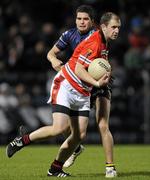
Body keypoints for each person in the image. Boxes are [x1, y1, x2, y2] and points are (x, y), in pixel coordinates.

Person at [6, 11, 121, 178]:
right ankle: (22, 140)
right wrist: (97, 83)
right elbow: (79, 69)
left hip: (83, 91)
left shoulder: (104, 41)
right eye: (114, 27)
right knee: (59, 128)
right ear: (103, 27)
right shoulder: (95, 42)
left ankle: (54, 169)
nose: (117, 30)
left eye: (118, 27)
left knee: (79, 136)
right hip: (66, 85)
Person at [47, 5, 96, 168]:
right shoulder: (69, 34)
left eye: (85, 19)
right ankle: (75, 148)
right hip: (73, 83)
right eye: (79, 18)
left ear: (92, 21)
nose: (81, 22)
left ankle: (110, 167)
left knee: (102, 125)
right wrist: (54, 60)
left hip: (93, 83)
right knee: (64, 127)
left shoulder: (96, 37)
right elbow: (50, 53)